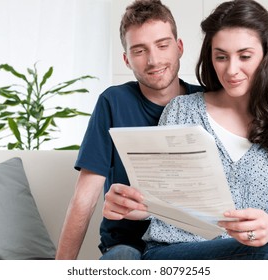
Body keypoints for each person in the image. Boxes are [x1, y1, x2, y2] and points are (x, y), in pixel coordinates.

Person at [103, 0, 268, 259]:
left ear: (266, 55)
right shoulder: (183, 110)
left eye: (245, 56)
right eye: (221, 56)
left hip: (257, 245)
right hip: (175, 250)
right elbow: (159, 197)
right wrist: (135, 204)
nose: (231, 69)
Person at [55, 0, 203, 260]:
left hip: (188, 245)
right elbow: (84, 198)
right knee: (122, 257)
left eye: (162, 45)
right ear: (126, 60)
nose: (153, 59)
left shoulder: (206, 101)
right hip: (127, 246)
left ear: (179, 48)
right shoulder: (113, 102)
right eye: (139, 50)